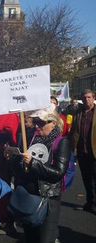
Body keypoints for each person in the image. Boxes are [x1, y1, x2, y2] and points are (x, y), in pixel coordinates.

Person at [9, 107, 70, 243]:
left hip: (48, 198)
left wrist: (33, 163)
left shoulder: (61, 142)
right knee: (30, 238)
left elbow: (58, 173)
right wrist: (13, 158)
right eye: (36, 121)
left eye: (41, 122)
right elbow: (19, 169)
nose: (37, 126)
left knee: (45, 239)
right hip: (29, 194)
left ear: (53, 123)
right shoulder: (30, 138)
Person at [70, 89, 96, 212]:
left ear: (93, 98)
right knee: (86, 178)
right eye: (85, 97)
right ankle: (90, 203)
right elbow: (74, 131)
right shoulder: (78, 113)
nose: (87, 100)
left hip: (94, 151)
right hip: (82, 151)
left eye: (89, 97)